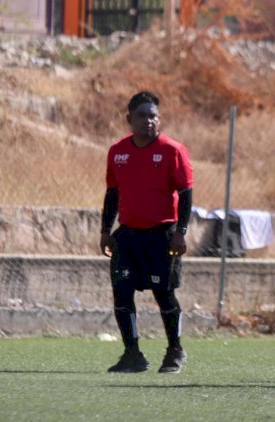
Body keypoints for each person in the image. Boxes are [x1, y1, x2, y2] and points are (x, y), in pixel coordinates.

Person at [100, 91, 194, 374]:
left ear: (159, 119)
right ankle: (132, 354)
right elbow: (112, 193)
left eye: (153, 116)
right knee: (122, 292)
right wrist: (105, 230)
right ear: (129, 119)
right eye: (142, 116)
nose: (148, 121)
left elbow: (186, 194)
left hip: (161, 236)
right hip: (128, 236)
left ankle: (175, 351)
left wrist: (181, 232)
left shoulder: (172, 151)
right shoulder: (117, 152)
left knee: (163, 294)